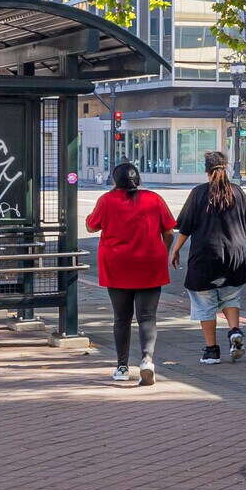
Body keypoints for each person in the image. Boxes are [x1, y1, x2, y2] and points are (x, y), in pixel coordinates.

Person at [85, 161, 176, 386]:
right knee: (147, 317)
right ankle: (146, 360)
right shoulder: (154, 199)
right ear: (138, 179)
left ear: (116, 181)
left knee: (121, 319)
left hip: (116, 266)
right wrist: (162, 252)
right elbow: (169, 231)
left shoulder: (106, 200)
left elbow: (91, 226)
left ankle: (122, 366)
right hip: (149, 264)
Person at [170, 151, 246, 365]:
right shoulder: (238, 192)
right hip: (235, 254)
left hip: (205, 254)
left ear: (206, 170)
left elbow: (186, 227)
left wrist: (175, 250)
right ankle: (234, 331)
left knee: (204, 302)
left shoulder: (199, 193)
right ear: (226, 168)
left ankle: (211, 351)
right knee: (230, 296)